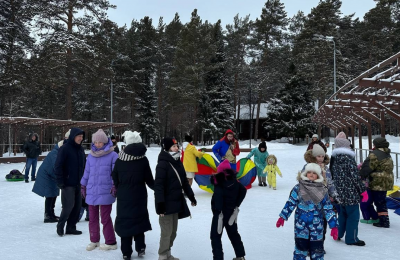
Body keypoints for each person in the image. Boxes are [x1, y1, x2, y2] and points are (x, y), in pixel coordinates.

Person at [276, 163, 339, 260]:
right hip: (301, 226)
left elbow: (328, 208)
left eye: (314, 173)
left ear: (318, 175)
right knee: (300, 250)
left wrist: (334, 225)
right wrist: (283, 216)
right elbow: (291, 202)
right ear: (305, 174)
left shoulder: (322, 189)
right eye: (309, 172)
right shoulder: (298, 188)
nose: (311, 174)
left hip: (316, 227)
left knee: (317, 251)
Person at [112, 131, 155, 259]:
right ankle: (140, 247)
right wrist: (160, 188)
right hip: (139, 194)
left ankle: (126, 252)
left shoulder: (120, 159)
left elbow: (115, 176)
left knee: (125, 221)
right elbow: (149, 179)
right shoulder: (143, 159)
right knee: (139, 219)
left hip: (124, 195)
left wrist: (121, 187)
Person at [155, 137, 197, 260]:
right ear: (167, 148)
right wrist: (160, 204)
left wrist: (191, 196)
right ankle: (162, 255)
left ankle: (168, 254)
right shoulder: (163, 164)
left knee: (173, 232)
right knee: (166, 232)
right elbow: (159, 186)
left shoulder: (177, 161)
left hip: (176, 203)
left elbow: (184, 181)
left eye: (177, 146)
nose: (176, 148)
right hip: (166, 204)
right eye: (173, 146)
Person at [81, 129, 118, 251]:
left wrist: (114, 185)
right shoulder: (91, 155)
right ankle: (94, 240)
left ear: (105, 142)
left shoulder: (113, 155)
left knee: (105, 217)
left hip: (106, 190)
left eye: (100, 142)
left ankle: (110, 241)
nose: (97, 144)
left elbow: (115, 173)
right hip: (92, 190)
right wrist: (83, 185)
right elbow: (87, 172)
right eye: (95, 142)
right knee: (92, 218)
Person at [329, 132, 368, 246]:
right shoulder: (348, 158)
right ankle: (352, 238)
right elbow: (355, 177)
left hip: (339, 192)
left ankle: (338, 234)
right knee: (353, 216)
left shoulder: (335, 158)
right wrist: (363, 191)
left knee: (343, 214)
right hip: (351, 193)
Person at [303, 144, 339, 253]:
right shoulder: (307, 167)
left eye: (322, 156)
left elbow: (330, 182)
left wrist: (334, 194)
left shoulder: (326, 169)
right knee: (311, 225)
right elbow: (302, 182)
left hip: (324, 200)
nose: (321, 158)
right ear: (314, 157)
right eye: (318, 156)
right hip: (311, 201)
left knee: (322, 225)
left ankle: (320, 245)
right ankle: (309, 247)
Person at [210, 160, 247, 260]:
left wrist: (217, 210)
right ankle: (240, 256)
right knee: (234, 234)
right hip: (231, 213)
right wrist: (236, 204)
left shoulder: (219, 183)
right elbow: (243, 190)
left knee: (215, 236)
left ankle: (218, 258)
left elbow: (218, 198)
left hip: (220, 214)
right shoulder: (235, 182)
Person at [32, 130, 70, 223]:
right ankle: (47, 215)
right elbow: (55, 167)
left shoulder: (59, 152)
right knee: (50, 195)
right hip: (47, 176)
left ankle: (51, 214)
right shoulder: (55, 153)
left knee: (54, 194)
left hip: (51, 176)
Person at [55, 127, 86, 237]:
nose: (80, 139)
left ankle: (71, 227)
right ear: (73, 136)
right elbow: (58, 165)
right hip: (67, 182)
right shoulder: (65, 148)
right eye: (79, 136)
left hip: (79, 182)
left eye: (82, 137)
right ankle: (60, 225)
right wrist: (60, 180)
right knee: (68, 206)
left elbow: (84, 165)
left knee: (77, 206)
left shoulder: (81, 149)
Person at [359, 137, 394, 228]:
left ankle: (383, 221)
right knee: (381, 201)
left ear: (377, 145)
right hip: (387, 181)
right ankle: (382, 218)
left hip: (378, 181)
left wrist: (361, 175)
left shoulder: (375, 154)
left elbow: (367, 167)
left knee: (379, 202)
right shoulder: (387, 153)